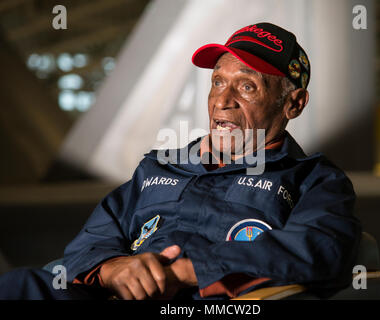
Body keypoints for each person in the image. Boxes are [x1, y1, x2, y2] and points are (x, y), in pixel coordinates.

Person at [0, 22, 361, 300]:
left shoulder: (315, 180)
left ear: (293, 104)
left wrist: (189, 272)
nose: (223, 100)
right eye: (218, 82)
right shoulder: (158, 168)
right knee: (19, 286)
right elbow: (90, 241)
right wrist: (116, 268)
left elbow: (318, 250)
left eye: (247, 86)